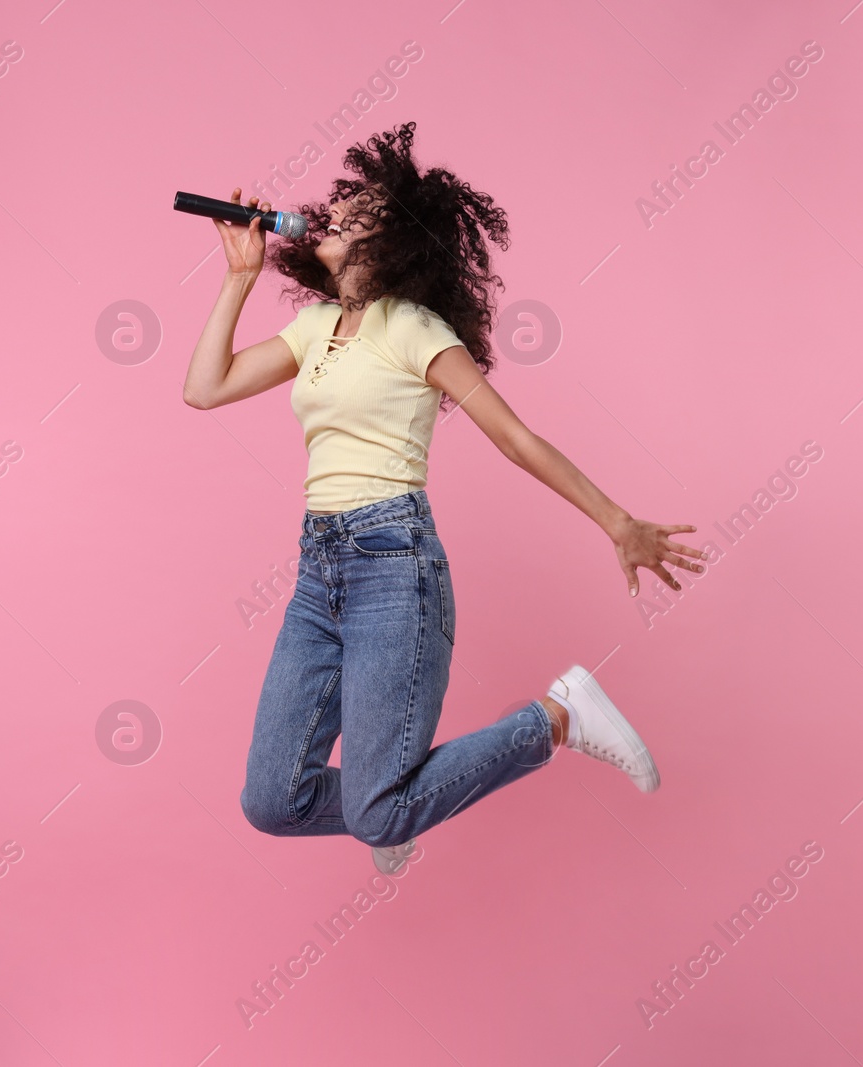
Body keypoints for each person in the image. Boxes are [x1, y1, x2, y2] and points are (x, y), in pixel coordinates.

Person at [182, 122, 705, 875]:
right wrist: (239, 276)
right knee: (272, 799)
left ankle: (557, 715)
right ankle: (394, 806)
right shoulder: (316, 326)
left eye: (355, 208)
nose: (329, 213)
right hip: (317, 572)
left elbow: (516, 439)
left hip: (393, 567)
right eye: (336, 203)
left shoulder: (413, 328)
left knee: (374, 811)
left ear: (393, 240)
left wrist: (618, 522)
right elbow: (204, 389)